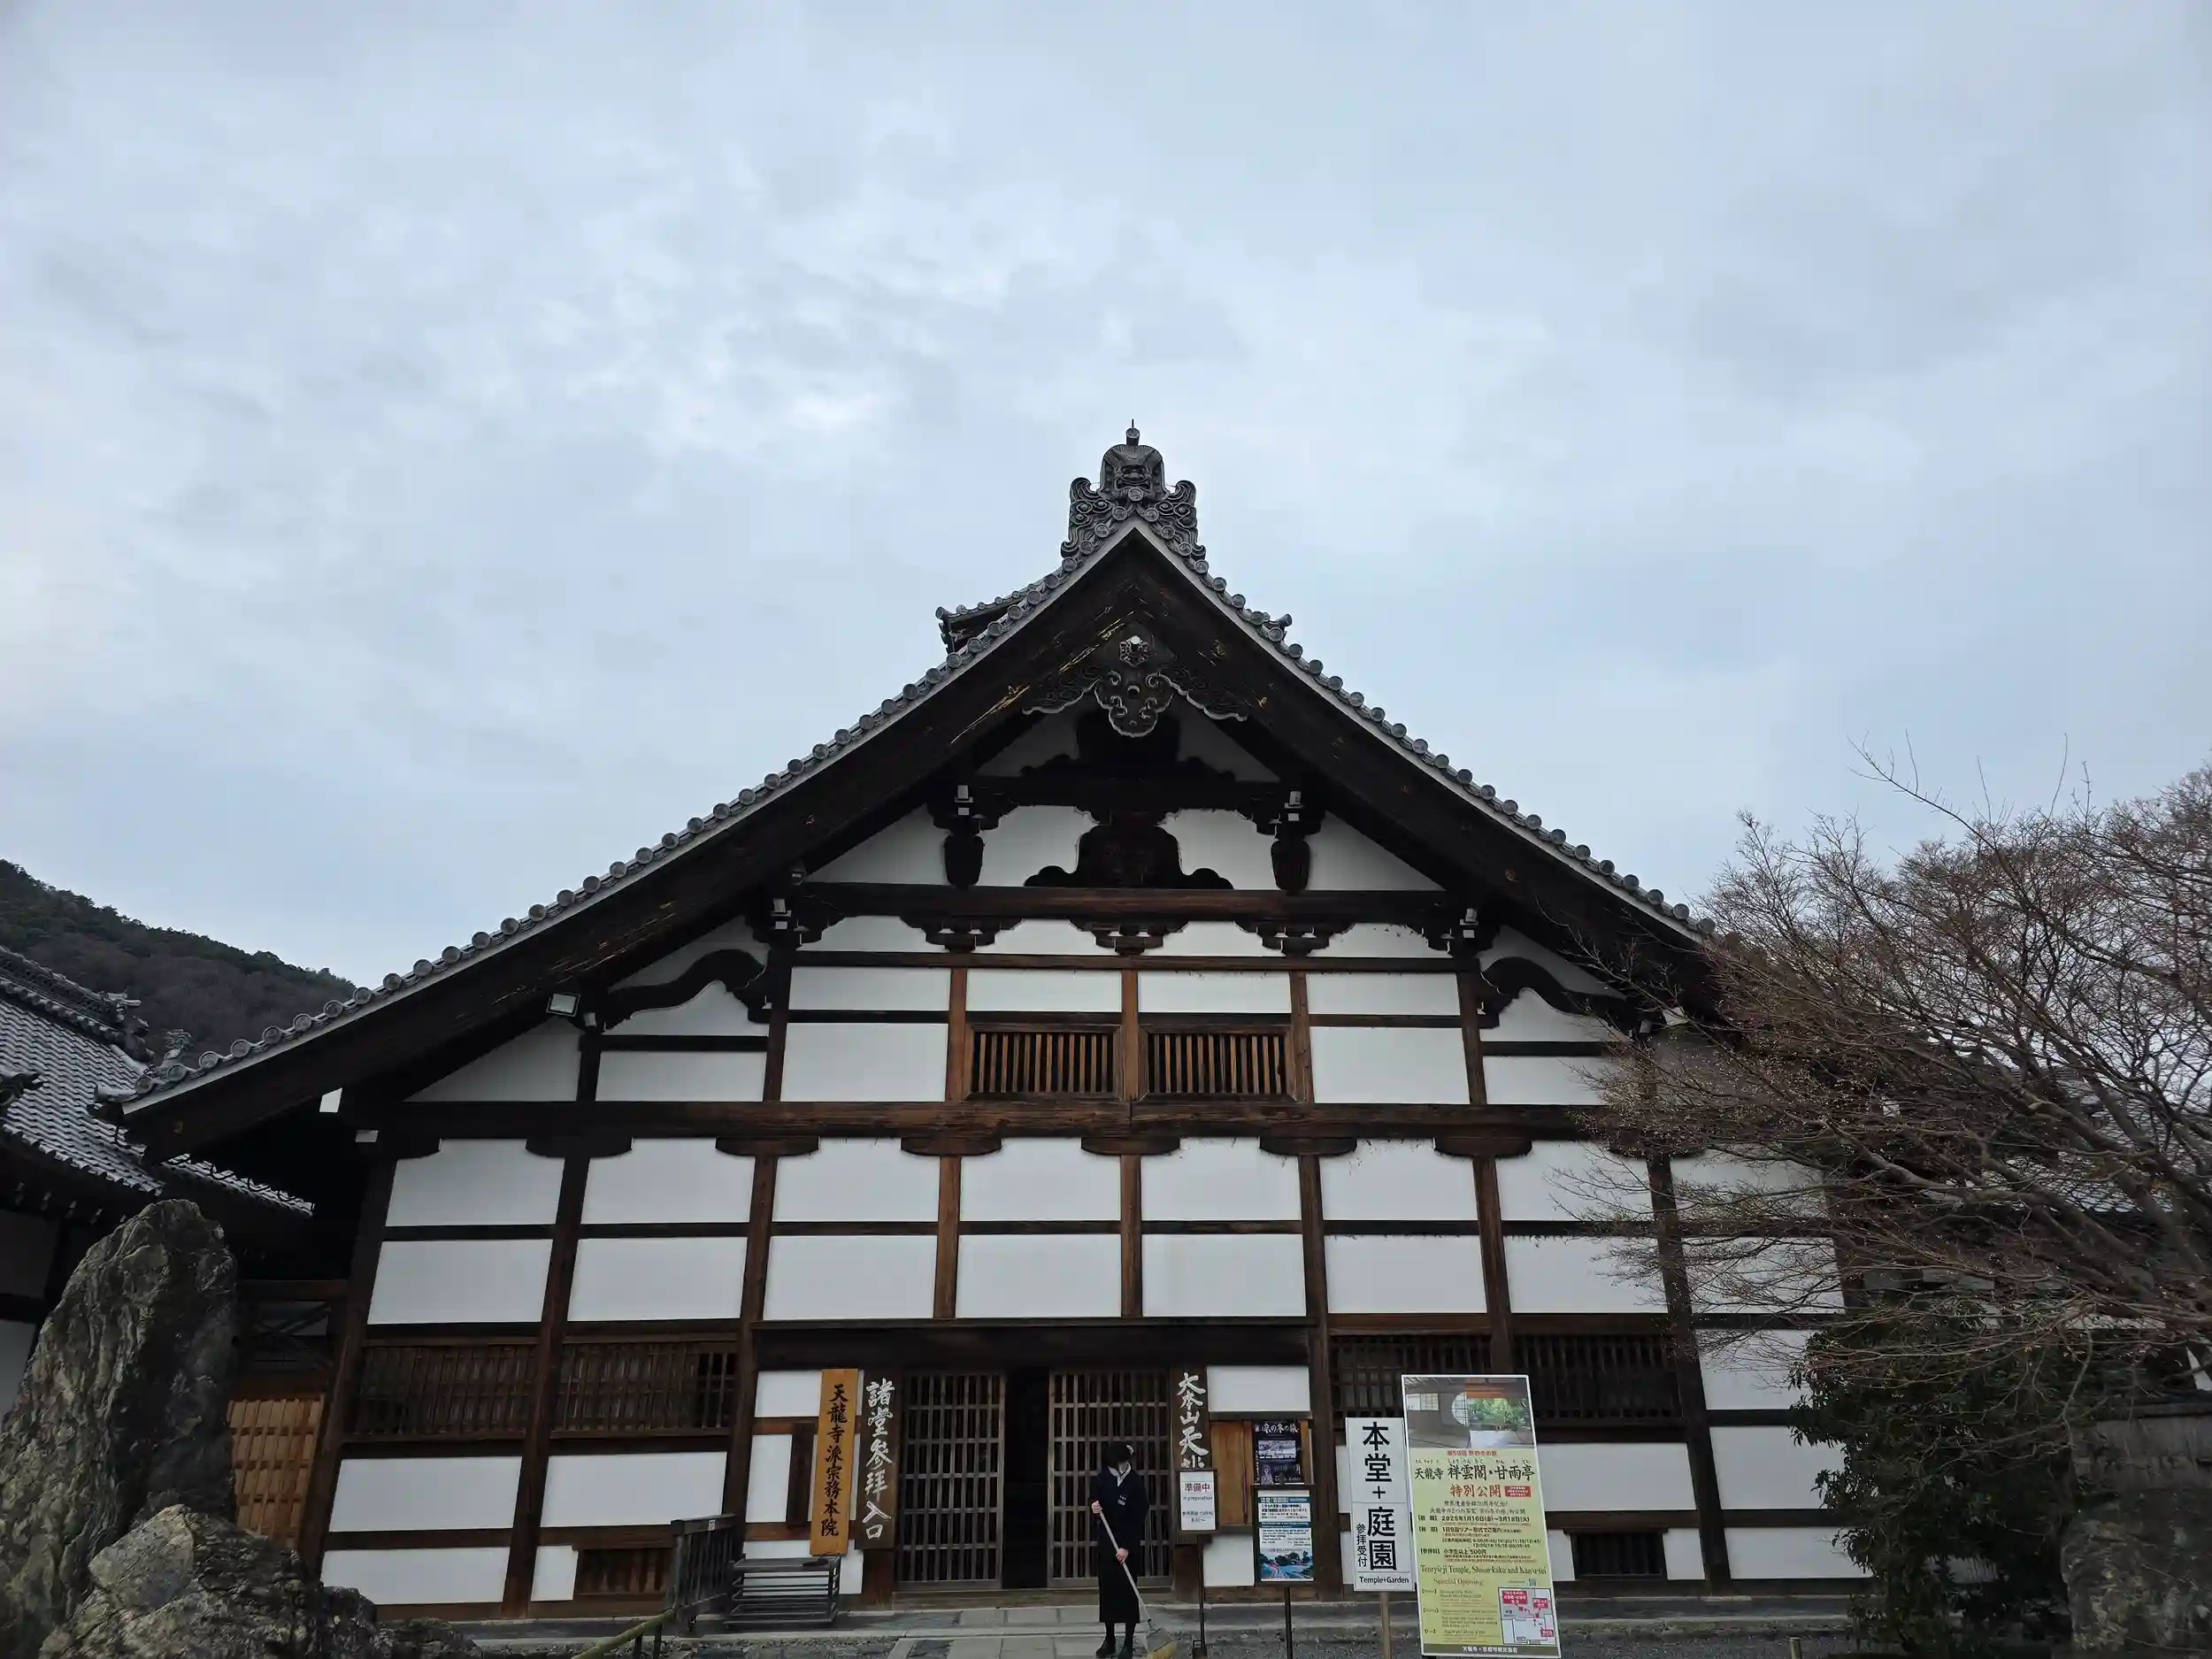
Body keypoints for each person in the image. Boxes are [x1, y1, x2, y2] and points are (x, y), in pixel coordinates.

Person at [1088, 1440, 1147, 1659]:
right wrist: (1093, 1507)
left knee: (1128, 1596)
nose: (1115, 1468)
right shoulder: (1103, 1478)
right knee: (1108, 1594)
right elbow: (1094, 1499)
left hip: (1127, 1547)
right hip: (1107, 1544)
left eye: (1118, 1464)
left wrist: (1127, 1548)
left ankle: (1128, 1643)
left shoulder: (1135, 1483)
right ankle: (1110, 1639)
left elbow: (1138, 1518)